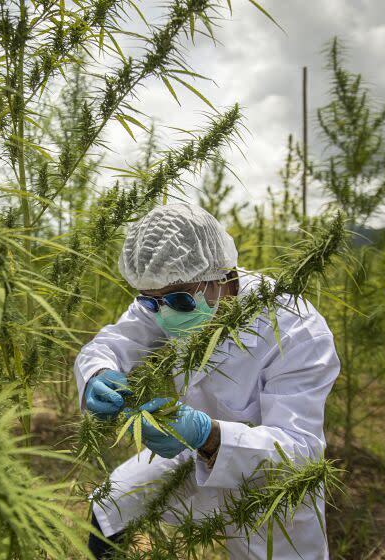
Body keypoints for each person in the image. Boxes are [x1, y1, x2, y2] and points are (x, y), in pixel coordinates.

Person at [74, 204, 340, 559]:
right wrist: (98, 373)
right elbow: (113, 343)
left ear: (226, 278)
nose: (163, 313)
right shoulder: (168, 297)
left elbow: (300, 452)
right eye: (151, 302)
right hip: (190, 451)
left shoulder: (297, 329)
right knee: (112, 503)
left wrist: (208, 434)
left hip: (270, 483)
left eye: (178, 300)